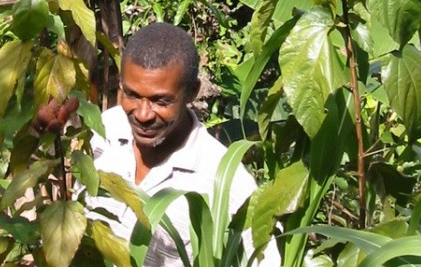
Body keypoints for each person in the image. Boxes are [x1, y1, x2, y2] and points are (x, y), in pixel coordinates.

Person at [87, 22, 279, 266]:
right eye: (132, 95)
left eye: (161, 101)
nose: (143, 114)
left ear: (192, 93)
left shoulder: (225, 182)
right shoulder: (104, 131)